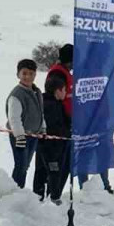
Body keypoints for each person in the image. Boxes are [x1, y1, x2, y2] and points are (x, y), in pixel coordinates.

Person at [6, 59, 44, 190]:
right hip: (20, 136)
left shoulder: (37, 91)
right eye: (24, 73)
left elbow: (40, 112)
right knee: (20, 165)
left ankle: (19, 191)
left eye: (31, 73)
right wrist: (19, 136)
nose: (27, 77)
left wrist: (42, 127)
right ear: (18, 74)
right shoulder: (17, 95)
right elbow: (14, 118)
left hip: (33, 135)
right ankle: (15, 191)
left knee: (25, 165)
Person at [35, 73, 70, 204]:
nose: (66, 93)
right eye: (64, 90)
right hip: (51, 148)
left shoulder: (49, 102)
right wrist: (68, 133)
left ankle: (38, 196)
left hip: (43, 146)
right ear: (58, 91)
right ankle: (54, 198)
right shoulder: (51, 106)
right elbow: (54, 128)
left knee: (41, 172)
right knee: (53, 173)